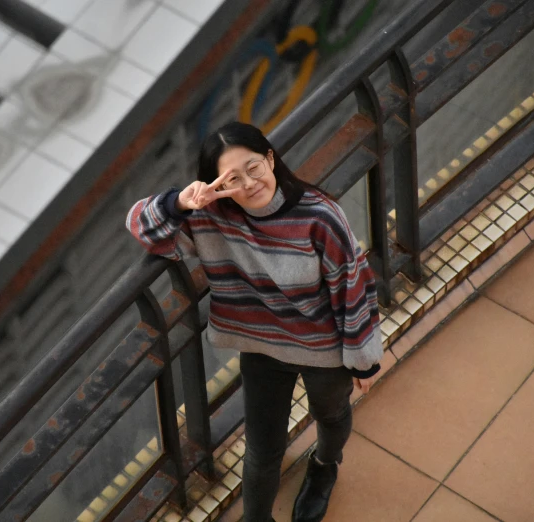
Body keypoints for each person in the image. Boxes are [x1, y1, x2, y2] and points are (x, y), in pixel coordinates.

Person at [126, 122, 382, 522]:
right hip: (262, 349)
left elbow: (351, 285)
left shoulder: (319, 216)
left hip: (325, 347)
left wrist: (363, 358)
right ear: (216, 183)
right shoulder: (210, 218)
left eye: (254, 168)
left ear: (270, 159)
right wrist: (181, 202)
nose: (248, 184)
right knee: (262, 451)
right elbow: (142, 228)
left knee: (330, 415)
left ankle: (324, 465)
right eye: (232, 178)